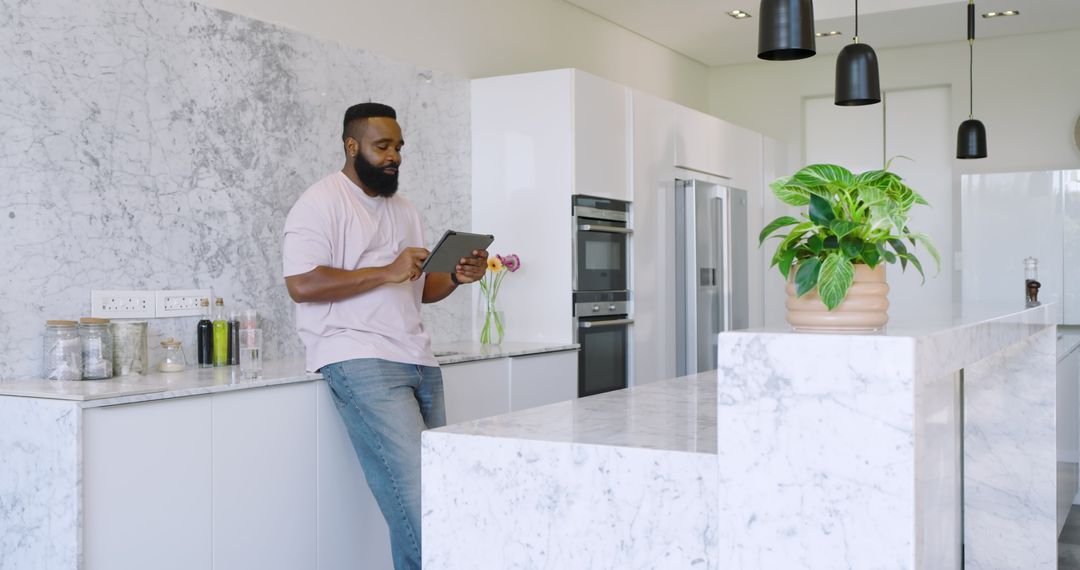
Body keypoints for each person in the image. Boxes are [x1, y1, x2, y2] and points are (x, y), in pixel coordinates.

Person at [281, 102, 487, 569]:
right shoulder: (320, 202)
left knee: (436, 497)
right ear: (351, 146)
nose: (394, 155)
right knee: (420, 504)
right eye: (382, 146)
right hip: (359, 358)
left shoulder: (406, 210)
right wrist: (385, 270)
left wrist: (456, 276)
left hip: (418, 359)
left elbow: (419, 289)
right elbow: (302, 284)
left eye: (398, 147)